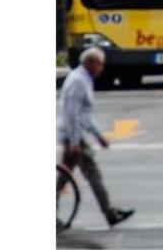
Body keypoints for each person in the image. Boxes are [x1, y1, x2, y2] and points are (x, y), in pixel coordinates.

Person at [57, 47, 135, 228]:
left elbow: (84, 115)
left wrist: (98, 136)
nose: (102, 69)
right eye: (100, 64)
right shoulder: (78, 81)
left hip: (73, 135)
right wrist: (75, 142)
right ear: (90, 63)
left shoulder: (83, 78)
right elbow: (72, 114)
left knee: (63, 178)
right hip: (73, 136)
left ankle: (109, 212)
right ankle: (110, 213)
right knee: (93, 175)